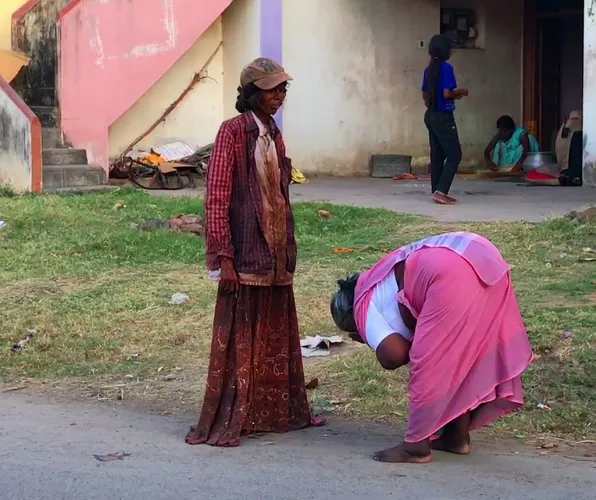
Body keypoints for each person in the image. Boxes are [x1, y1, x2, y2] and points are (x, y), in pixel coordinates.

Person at [186, 57, 324, 447]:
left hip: (275, 252)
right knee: (241, 336)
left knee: (274, 335)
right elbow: (216, 197)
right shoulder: (233, 132)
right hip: (245, 254)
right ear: (251, 94)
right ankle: (236, 414)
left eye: (282, 89)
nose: (279, 95)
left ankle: (271, 412)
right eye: (271, 89)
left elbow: (280, 194)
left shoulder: (274, 134)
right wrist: (222, 257)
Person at [330, 232, 533, 463]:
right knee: (463, 357)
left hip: (452, 270)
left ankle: (415, 446)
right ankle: (456, 437)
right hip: (481, 255)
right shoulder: (377, 280)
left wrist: (368, 338)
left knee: (429, 361)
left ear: (353, 329)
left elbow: (393, 356)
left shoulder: (361, 306)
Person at [422, 34, 469, 205]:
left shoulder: (429, 70)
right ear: (445, 51)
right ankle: (441, 191)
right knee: (454, 154)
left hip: (431, 115)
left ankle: (437, 190)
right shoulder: (446, 68)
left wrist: (434, 102)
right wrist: (460, 92)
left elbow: (424, 95)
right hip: (443, 117)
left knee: (437, 155)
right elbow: (447, 93)